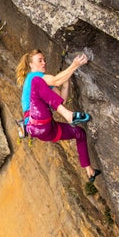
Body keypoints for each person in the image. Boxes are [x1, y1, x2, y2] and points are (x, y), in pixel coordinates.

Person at [16, 49, 101, 183]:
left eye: (44, 60)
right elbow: (55, 80)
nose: (44, 63)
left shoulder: (43, 85)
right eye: (40, 60)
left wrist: (66, 83)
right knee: (38, 82)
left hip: (47, 130)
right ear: (31, 64)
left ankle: (89, 170)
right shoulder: (33, 77)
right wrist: (74, 65)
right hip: (35, 122)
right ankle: (69, 116)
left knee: (79, 133)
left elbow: (61, 99)